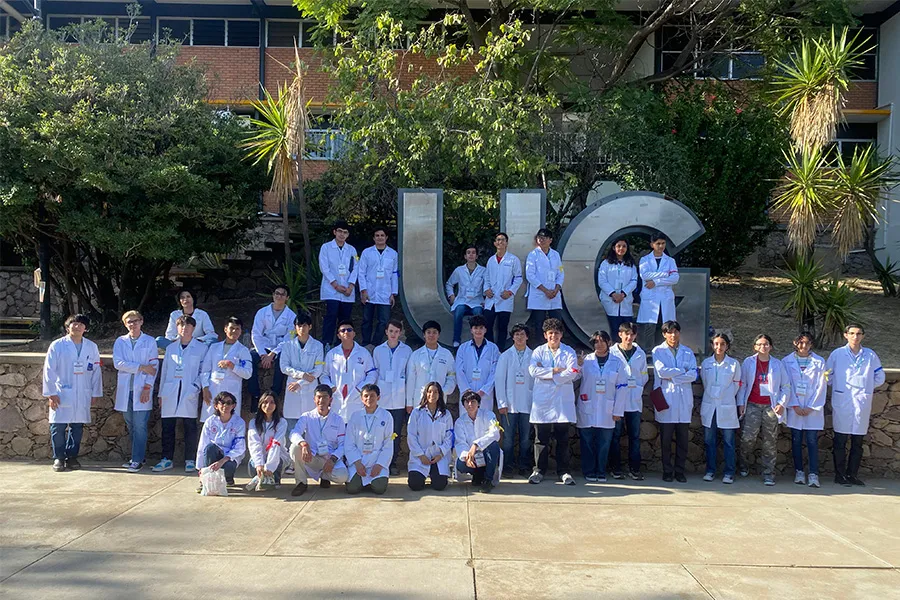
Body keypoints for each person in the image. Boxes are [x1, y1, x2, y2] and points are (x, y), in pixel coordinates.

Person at [825, 324, 886, 487]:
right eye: (852, 333)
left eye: (859, 334)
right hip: (843, 401)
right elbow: (827, 376)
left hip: (861, 402)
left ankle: (852, 474)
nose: (855, 337)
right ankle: (839, 475)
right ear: (845, 335)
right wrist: (840, 387)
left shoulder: (870, 355)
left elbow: (880, 376)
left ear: (863, 336)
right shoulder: (837, 354)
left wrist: (865, 387)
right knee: (840, 441)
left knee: (857, 443)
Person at [43, 314, 103, 472]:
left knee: (77, 427)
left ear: (86, 328)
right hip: (61, 391)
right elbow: (49, 370)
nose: (77, 327)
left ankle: (72, 457)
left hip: (82, 392)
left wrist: (95, 393)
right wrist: (51, 392)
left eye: (81, 324)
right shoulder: (57, 345)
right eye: (74, 324)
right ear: (67, 327)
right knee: (58, 426)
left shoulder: (91, 347)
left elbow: (96, 371)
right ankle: (58, 457)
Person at [527, 317, 580, 486]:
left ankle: (563, 471)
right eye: (550, 333)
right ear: (545, 335)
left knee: (563, 440)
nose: (553, 336)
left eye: (556, 333)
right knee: (540, 440)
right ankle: (539, 470)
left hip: (561, 402)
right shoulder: (538, 352)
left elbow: (573, 371)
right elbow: (533, 370)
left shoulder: (569, 351)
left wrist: (550, 377)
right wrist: (554, 371)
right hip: (542, 403)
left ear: (561, 335)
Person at [154, 315, 206, 473]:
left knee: (190, 426)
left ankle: (190, 459)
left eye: (188, 326)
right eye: (181, 326)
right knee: (167, 426)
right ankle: (166, 459)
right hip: (170, 391)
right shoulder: (171, 348)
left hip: (189, 391)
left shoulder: (201, 348)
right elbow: (164, 372)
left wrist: (195, 387)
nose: (185, 328)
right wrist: (161, 394)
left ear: (193, 328)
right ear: (177, 328)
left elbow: (203, 371)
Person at [738, 334, 790, 486]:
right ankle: (743, 464)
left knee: (770, 441)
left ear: (771, 346)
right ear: (755, 346)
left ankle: (768, 473)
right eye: (760, 344)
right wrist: (741, 403)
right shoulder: (748, 362)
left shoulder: (777, 364)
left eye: (766, 344)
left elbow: (786, 386)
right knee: (747, 439)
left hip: (770, 407)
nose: (763, 347)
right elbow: (743, 385)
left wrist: (781, 403)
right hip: (752, 405)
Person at [577, 331, 628, 483]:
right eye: (596, 342)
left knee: (604, 443)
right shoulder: (586, 361)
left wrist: (618, 410)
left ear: (608, 343)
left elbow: (622, 387)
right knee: (587, 442)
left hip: (608, 409)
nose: (599, 344)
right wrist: (577, 365)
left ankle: (601, 471)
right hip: (587, 406)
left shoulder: (617, 362)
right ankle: (589, 471)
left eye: (602, 341)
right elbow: (574, 377)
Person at [112, 310, 159, 474]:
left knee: (140, 425)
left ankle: (137, 460)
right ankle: (137, 456)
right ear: (125, 324)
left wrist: (147, 387)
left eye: (135, 321)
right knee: (131, 424)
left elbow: (153, 367)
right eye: (129, 322)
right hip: (126, 390)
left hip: (142, 389)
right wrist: (140, 367)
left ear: (141, 321)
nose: (133, 324)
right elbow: (118, 363)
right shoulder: (120, 341)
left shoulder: (150, 341)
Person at [652, 320, 697, 483]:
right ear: (664, 334)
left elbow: (694, 375)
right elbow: (662, 372)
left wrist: (675, 377)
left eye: (675, 332)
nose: (673, 335)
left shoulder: (687, 352)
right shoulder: (658, 351)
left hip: (684, 400)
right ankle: (667, 470)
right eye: (669, 332)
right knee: (665, 440)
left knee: (683, 440)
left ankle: (679, 471)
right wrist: (682, 372)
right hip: (667, 398)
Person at [783, 333, 827, 488]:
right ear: (795, 343)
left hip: (812, 409)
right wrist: (794, 404)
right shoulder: (786, 361)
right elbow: (786, 385)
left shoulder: (819, 362)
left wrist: (811, 406)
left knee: (812, 441)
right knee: (795, 441)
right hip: (795, 408)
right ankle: (799, 472)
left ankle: (814, 474)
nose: (803, 346)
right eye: (800, 343)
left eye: (807, 343)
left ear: (811, 345)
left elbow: (821, 386)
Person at [289, 385, 350, 496]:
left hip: (329, 458)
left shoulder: (338, 420)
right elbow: (294, 433)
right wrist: (303, 443)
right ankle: (301, 483)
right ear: (314, 399)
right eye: (319, 397)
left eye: (325, 397)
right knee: (295, 447)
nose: (321, 401)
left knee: (342, 476)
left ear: (330, 399)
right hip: (311, 456)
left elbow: (343, 445)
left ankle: (324, 476)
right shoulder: (306, 416)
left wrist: (333, 459)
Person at [699, 333, 742, 484]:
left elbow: (737, 384)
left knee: (729, 441)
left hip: (726, 405)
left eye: (722, 344)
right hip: (710, 405)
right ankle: (710, 470)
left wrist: (725, 396)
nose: (719, 347)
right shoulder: (706, 364)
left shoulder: (734, 364)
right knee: (709, 440)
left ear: (727, 346)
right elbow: (705, 382)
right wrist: (714, 395)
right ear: (712, 345)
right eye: (716, 344)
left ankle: (729, 472)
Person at [608, 322, 649, 480]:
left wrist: (637, 387)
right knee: (615, 435)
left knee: (634, 436)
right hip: (617, 399)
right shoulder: (612, 352)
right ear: (620, 334)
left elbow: (644, 375)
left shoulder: (640, 353)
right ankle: (616, 468)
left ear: (635, 336)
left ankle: (635, 469)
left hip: (634, 400)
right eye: (626, 334)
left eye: (632, 334)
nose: (629, 337)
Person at [372, 319, 412, 476]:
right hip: (382, 399)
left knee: (395, 433)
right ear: (386, 332)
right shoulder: (378, 350)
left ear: (400, 333)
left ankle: (393, 462)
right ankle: (379, 462)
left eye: (396, 331)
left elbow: (409, 376)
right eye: (391, 331)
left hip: (399, 399)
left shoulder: (407, 351)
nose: (394, 334)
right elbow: (375, 374)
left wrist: (409, 401)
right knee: (379, 432)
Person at [250, 285, 297, 412]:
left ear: (287, 298)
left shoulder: (292, 316)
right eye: (277, 293)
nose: (279, 296)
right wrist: (262, 354)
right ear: (273, 295)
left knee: (282, 359)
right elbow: (256, 334)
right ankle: (255, 395)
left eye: (283, 294)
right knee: (249, 359)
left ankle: (275, 393)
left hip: (280, 347)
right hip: (263, 346)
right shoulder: (262, 312)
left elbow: (289, 338)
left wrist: (272, 354)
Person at [495, 323, 534, 477]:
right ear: (512, 337)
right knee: (508, 439)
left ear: (527, 337)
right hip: (509, 405)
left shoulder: (534, 355)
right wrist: (502, 403)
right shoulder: (505, 356)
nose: (519, 337)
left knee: (526, 438)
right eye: (516, 334)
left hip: (528, 403)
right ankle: (508, 466)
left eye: (522, 334)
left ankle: (524, 466)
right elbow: (499, 380)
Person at [322, 319, 376, 421]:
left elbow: (372, 373)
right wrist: (331, 387)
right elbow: (324, 374)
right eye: (343, 330)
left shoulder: (363, 353)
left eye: (349, 330)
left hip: (357, 398)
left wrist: (361, 388)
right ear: (338, 335)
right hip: (336, 399)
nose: (346, 332)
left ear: (354, 333)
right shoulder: (332, 354)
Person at [201, 316, 252, 422]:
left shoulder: (243, 350)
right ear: (225, 329)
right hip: (213, 390)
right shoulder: (214, 347)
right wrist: (205, 388)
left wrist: (232, 365)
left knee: (230, 424)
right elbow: (205, 370)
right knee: (211, 423)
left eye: (237, 329)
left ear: (241, 331)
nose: (234, 331)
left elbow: (248, 373)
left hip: (231, 391)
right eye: (231, 328)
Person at [344, 384, 393, 495]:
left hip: (376, 461)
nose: (369, 399)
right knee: (352, 489)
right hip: (359, 461)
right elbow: (349, 443)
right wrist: (357, 463)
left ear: (378, 397)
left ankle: (374, 480)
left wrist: (380, 464)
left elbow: (388, 444)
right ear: (361, 398)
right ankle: (359, 481)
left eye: (372, 396)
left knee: (379, 489)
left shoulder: (386, 416)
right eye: (366, 396)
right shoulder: (355, 416)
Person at [280, 313, 325, 433]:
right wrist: (302, 375)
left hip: (309, 388)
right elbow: (284, 367)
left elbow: (318, 369)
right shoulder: (288, 346)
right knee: (292, 430)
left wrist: (300, 382)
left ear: (310, 327)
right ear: (295, 327)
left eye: (304, 325)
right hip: (292, 389)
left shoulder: (318, 346)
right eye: (299, 325)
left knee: (311, 428)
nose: (302, 329)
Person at [407, 382, 454, 491]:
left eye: (435, 392)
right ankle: (422, 475)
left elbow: (449, 436)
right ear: (425, 394)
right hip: (421, 456)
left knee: (440, 486)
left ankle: (434, 473)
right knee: (415, 485)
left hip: (438, 456)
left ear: (440, 394)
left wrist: (441, 454)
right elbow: (411, 436)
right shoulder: (417, 412)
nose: (432, 395)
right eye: (429, 392)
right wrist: (420, 455)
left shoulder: (446, 414)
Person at [319, 219, 359, 347]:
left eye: (345, 232)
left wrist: (351, 286)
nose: (342, 234)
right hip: (331, 290)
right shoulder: (326, 248)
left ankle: (341, 345)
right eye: (340, 231)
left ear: (348, 235)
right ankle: (326, 343)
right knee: (331, 317)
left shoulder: (352, 250)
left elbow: (356, 268)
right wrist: (335, 284)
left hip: (347, 291)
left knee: (344, 319)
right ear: (334, 232)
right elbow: (324, 267)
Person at [636, 232, 679, 349]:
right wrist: (665, 274)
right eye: (658, 243)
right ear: (652, 244)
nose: (661, 246)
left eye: (663, 243)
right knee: (649, 326)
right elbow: (644, 275)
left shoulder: (670, 261)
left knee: (665, 326)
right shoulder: (645, 260)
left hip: (665, 298)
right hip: (650, 299)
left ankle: (664, 351)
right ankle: (648, 352)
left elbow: (675, 278)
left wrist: (656, 282)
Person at [357, 226, 398, 347]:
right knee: (366, 320)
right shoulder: (367, 252)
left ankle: (376, 344)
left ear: (386, 237)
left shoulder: (393, 254)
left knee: (384, 321)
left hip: (385, 292)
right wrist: (363, 290)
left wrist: (393, 293)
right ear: (374, 238)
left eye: (382, 235)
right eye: (377, 236)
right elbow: (361, 272)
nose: (380, 238)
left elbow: (395, 274)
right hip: (369, 292)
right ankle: (365, 344)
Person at [454, 390, 502, 493]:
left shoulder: (489, 415)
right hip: (472, 456)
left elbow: (495, 434)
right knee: (461, 464)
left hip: (486, 453)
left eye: (473, 402)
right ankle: (478, 475)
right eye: (467, 402)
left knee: (493, 445)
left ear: (479, 403)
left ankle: (488, 480)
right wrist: (467, 456)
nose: (470, 405)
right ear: (463, 405)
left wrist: (476, 444)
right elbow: (460, 442)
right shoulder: (460, 422)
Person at [196, 391, 246, 488]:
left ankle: (228, 479)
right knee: (210, 448)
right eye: (222, 403)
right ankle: (207, 479)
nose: (225, 406)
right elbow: (203, 444)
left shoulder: (239, 422)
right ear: (216, 406)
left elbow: (239, 447)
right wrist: (201, 468)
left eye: (229, 403)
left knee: (228, 467)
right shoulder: (210, 421)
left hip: (229, 457)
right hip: (213, 455)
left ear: (233, 406)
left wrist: (223, 461)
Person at [483, 232, 523, 350]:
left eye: (503, 240)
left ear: (506, 243)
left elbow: (518, 278)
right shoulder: (491, 260)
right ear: (495, 243)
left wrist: (510, 292)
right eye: (498, 240)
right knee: (487, 326)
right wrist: (486, 290)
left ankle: (500, 350)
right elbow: (487, 277)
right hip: (491, 299)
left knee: (502, 327)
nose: (500, 242)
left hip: (505, 298)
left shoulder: (513, 260)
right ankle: (490, 350)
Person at [406, 320, 456, 412]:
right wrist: (409, 403)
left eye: (434, 332)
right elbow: (410, 380)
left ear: (438, 335)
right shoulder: (416, 355)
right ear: (424, 335)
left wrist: (444, 391)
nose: (431, 335)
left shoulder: (446, 354)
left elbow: (451, 376)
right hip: (419, 399)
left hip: (439, 399)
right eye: (428, 332)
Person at [455, 315, 501, 410]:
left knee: (485, 422)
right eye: (475, 328)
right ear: (471, 330)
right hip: (467, 394)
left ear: (485, 330)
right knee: (466, 422)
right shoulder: (463, 348)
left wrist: (483, 391)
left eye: (481, 328)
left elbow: (495, 372)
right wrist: (467, 390)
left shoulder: (493, 348)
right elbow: (459, 371)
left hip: (485, 395)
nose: (478, 331)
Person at [246, 392, 288, 491]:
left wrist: (270, 466)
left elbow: (276, 443)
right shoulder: (253, 422)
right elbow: (254, 443)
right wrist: (259, 464)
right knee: (254, 466)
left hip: (276, 456)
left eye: (272, 402)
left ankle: (274, 478)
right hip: (260, 456)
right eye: (265, 402)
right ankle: (262, 477)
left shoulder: (282, 422)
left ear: (276, 405)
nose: (268, 405)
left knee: (278, 460)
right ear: (260, 404)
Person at [446, 244, 487, 347]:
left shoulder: (483, 271)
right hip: (462, 300)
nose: (471, 255)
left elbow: (488, 286)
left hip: (477, 301)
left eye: (473, 253)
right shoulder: (459, 270)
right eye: (468, 253)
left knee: (478, 313)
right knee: (459, 311)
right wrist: (451, 296)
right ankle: (456, 340)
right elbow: (449, 284)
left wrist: (486, 300)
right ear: (465, 256)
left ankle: (477, 340)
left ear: (477, 256)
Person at [597, 238, 639, 337]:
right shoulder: (606, 263)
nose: (621, 248)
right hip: (610, 301)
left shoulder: (631, 264)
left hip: (625, 301)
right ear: (613, 248)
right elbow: (602, 281)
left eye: (624, 246)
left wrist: (623, 294)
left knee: (627, 331)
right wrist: (613, 294)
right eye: (618, 246)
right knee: (611, 332)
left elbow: (634, 281)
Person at [524, 228, 564, 330]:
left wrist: (556, 289)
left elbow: (561, 272)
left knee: (556, 325)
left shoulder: (556, 255)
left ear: (550, 240)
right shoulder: (533, 255)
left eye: (544, 238)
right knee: (539, 325)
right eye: (539, 238)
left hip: (554, 294)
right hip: (539, 294)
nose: (541, 240)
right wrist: (545, 291)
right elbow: (530, 275)